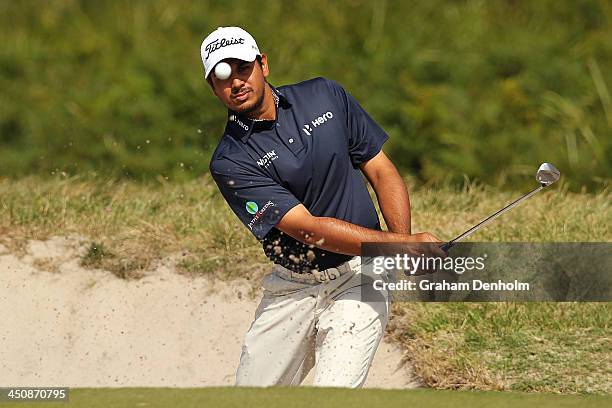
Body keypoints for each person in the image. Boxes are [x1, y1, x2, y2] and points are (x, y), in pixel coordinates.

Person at [201, 26, 444, 388]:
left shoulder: (324, 95)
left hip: (361, 277)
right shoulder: (230, 162)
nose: (235, 81)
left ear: (263, 64)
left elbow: (380, 169)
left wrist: (399, 240)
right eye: (223, 76)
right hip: (292, 288)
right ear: (213, 88)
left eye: (242, 67)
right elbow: (307, 229)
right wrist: (399, 246)